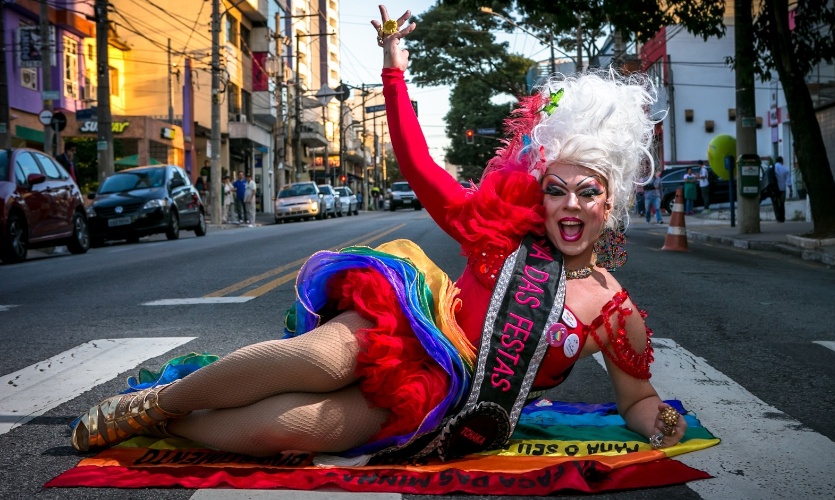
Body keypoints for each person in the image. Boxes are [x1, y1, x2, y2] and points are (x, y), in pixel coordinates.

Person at [69, 5, 687, 460]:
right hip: (406, 329)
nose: (570, 204)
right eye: (557, 188)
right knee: (315, 357)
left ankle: (167, 427)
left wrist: (656, 418)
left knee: (292, 432)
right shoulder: (499, 231)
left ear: (611, 205)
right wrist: (395, 71)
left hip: (442, 399)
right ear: (541, 192)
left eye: (588, 192)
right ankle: (148, 405)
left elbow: (635, 398)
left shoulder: (613, 309)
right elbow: (419, 166)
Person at [772, 156, 791, 222]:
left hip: (774, 189)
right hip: (782, 189)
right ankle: (782, 218)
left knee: (775, 203)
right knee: (782, 203)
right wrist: (791, 190)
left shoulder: (771, 168)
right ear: (781, 161)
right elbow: (788, 181)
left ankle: (778, 217)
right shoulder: (785, 169)